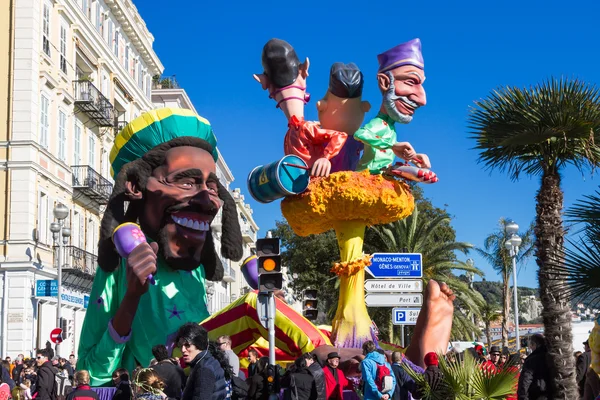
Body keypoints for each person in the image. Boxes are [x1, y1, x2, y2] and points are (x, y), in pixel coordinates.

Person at [77, 108, 244, 386]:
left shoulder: (195, 269)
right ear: (135, 185)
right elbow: (89, 372)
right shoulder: (121, 262)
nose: (208, 200)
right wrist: (131, 296)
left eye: (211, 187)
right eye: (187, 181)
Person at [253, 39, 348, 178]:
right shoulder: (292, 134)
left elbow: (340, 135)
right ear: (303, 73)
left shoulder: (305, 129)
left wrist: (325, 157)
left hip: (316, 185)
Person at [353, 39, 432, 178]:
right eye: (410, 82)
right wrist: (392, 145)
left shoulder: (390, 128)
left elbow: (390, 149)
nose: (422, 100)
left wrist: (415, 158)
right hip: (365, 178)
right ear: (385, 82)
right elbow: (361, 134)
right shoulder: (379, 124)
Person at [176, 322, 231, 400]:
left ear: (198, 344)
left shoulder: (204, 369)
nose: (183, 350)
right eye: (180, 345)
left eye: (187, 345)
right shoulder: (206, 361)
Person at [517, 334, 554, 400]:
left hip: (536, 395)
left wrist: (522, 397)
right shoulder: (552, 358)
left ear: (534, 344)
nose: (530, 348)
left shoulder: (531, 360)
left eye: (531, 345)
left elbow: (525, 381)